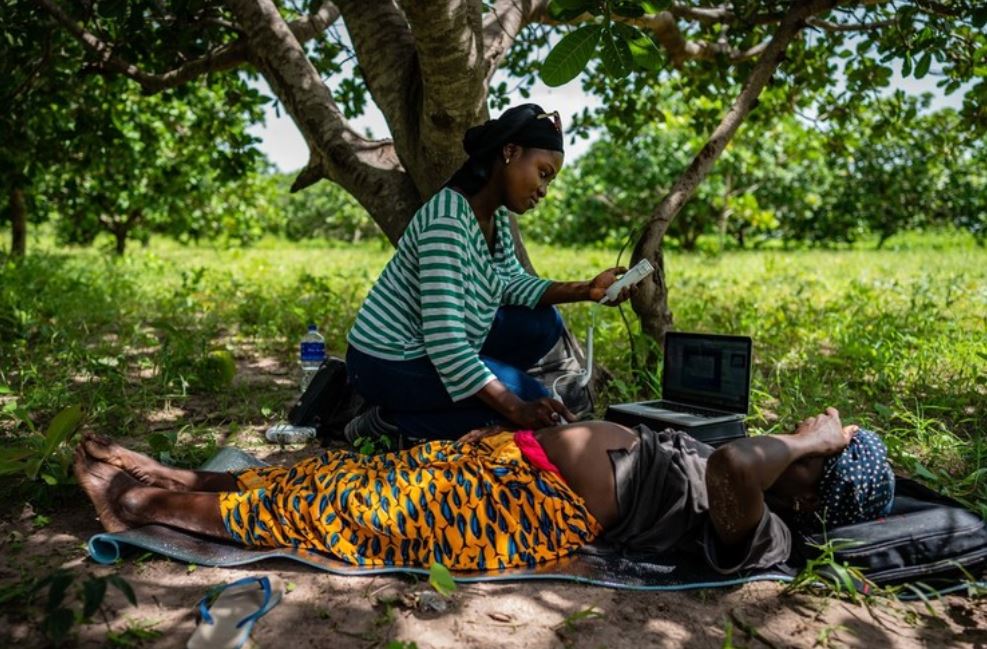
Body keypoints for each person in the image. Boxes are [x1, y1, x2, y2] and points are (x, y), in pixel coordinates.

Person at [75, 407, 895, 574]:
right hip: (513, 461)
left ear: (810, 489)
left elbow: (729, 469)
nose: (812, 434)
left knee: (349, 512)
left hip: (525, 509)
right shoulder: (765, 478)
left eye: (822, 452)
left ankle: (141, 504)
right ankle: (189, 478)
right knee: (336, 473)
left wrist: (810, 438)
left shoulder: (767, 530)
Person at [343, 103, 634, 442]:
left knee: (543, 322)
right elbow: (447, 345)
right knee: (524, 406)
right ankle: (387, 423)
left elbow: (511, 281)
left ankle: (451, 397)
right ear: (510, 151)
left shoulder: (492, 217)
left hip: (437, 346)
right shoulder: (448, 222)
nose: (544, 191)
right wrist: (515, 407)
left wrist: (587, 289)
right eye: (543, 173)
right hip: (387, 361)